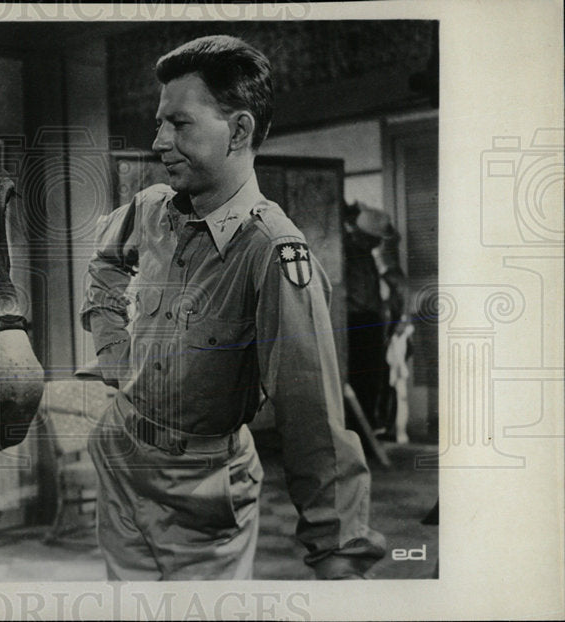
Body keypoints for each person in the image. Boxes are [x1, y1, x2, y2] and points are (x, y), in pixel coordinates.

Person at [80, 35, 386, 580]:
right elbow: (103, 266)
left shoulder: (273, 252)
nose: (159, 142)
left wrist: (338, 552)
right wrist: (113, 352)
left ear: (239, 131)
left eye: (179, 125)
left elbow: (311, 418)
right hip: (122, 457)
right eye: (159, 124)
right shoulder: (152, 209)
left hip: (200, 488)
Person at [342, 201, 407, 437]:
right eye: (375, 239)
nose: (379, 243)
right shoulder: (345, 252)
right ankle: (360, 433)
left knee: (373, 376)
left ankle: (368, 430)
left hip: (371, 320)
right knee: (361, 378)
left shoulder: (369, 255)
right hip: (354, 322)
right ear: (363, 235)